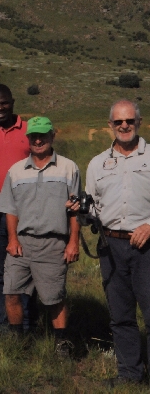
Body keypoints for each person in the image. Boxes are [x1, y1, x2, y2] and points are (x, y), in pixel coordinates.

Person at [0, 116, 79, 357]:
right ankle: (18, 342)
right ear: (28, 139)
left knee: (53, 298)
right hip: (21, 243)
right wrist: (12, 239)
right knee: (11, 293)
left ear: (53, 136)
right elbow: (10, 209)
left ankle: (62, 344)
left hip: (54, 243)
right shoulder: (16, 170)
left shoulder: (68, 167)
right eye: (34, 136)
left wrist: (73, 241)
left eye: (43, 135)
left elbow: (76, 210)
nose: (38, 140)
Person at [85, 99, 150, 386]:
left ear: (139, 122)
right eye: (118, 122)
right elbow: (92, 205)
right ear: (110, 125)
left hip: (146, 246)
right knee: (121, 315)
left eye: (129, 121)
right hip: (111, 246)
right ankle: (130, 375)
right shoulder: (97, 163)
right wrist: (79, 210)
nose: (124, 126)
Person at [0, 83, 38, 331]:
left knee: (27, 267)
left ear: (13, 102)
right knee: (0, 269)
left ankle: (27, 322)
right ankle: (3, 324)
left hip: (28, 209)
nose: (0, 107)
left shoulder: (29, 128)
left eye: (4, 102)